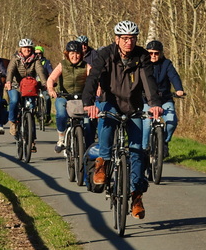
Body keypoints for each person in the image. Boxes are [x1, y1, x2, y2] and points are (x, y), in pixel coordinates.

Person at [83, 20, 163, 219]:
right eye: (125, 38)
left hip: (133, 105)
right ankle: (103, 163)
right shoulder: (105, 54)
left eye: (133, 38)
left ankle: (136, 195)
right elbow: (93, 78)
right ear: (117, 39)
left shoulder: (142, 56)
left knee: (137, 150)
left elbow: (148, 81)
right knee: (106, 123)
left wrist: (154, 103)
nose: (129, 42)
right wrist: (89, 103)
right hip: (111, 101)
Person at [47, 40, 95, 152]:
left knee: (88, 123)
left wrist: (97, 89)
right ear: (67, 54)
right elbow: (51, 78)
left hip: (81, 98)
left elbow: (93, 79)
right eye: (72, 53)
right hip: (64, 96)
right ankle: (61, 138)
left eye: (77, 53)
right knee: (61, 114)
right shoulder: (62, 65)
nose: (75, 56)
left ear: (81, 54)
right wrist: (51, 89)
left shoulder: (86, 66)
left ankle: (89, 149)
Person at [141, 40, 185, 149]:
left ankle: (163, 142)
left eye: (156, 53)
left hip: (165, 99)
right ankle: (144, 148)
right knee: (147, 123)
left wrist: (179, 89)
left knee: (171, 122)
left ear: (161, 53)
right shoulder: (143, 64)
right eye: (150, 53)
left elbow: (174, 76)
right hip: (147, 100)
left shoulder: (166, 64)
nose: (153, 55)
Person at [6, 38, 48, 144]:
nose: (27, 50)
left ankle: (32, 140)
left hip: (30, 87)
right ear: (20, 49)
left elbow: (40, 71)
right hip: (16, 86)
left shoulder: (36, 59)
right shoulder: (15, 58)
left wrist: (44, 83)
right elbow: (10, 70)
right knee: (14, 101)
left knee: (31, 110)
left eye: (29, 48)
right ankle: (13, 122)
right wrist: (8, 81)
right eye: (25, 48)